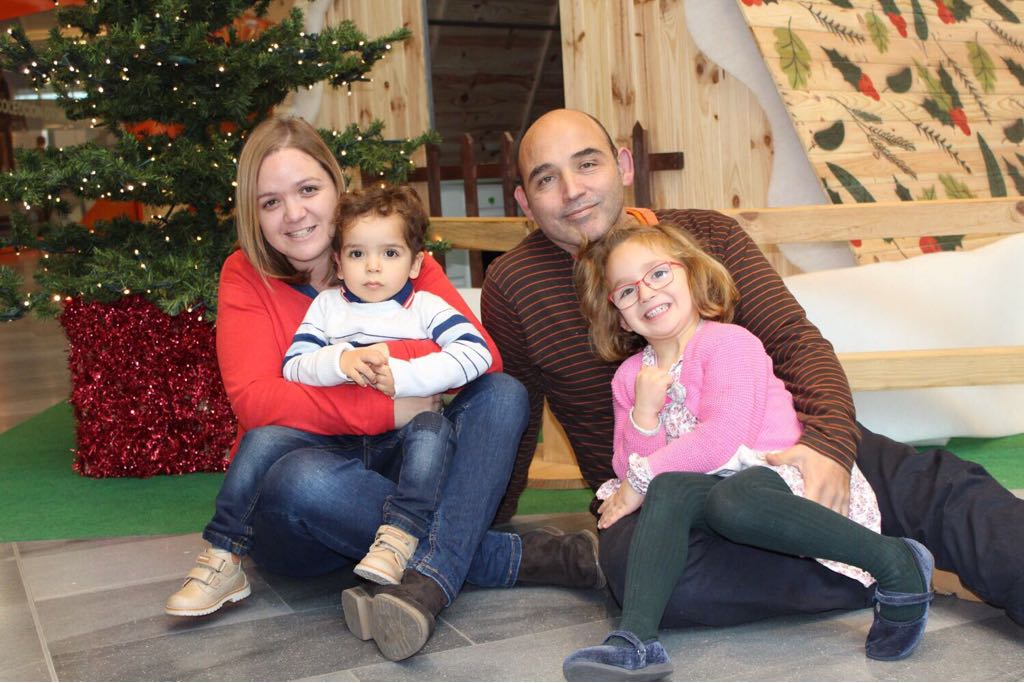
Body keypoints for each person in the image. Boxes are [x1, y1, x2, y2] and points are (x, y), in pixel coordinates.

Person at [481, 108, 1024, 628]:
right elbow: (517, 415)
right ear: (525, 203)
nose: (573, 190)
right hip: (657, 497)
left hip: (778, 449)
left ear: (623, 165)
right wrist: (482, 528)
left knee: (939, 488)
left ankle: (886, 547)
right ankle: (885, 565)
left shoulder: (708, 235)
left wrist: (830, 446)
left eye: (587, 163)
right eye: (547, 178)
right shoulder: (513, 284)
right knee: (646, 581)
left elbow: (795, 342)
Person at [164, 115, 605, 663]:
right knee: (300, 479)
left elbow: (476, 355)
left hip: (408, 472)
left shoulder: (393, 251)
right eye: (270, 201)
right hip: (308, 501)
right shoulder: (244, 273)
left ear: (336, 187)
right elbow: (257, 402)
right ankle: (507, 558)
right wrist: (390, 405)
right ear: (252, 213)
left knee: (504, 393)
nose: (294, 213)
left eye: (307, 190)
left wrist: (369, 371)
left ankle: (425, 578)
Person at [560, 221, 933, 680]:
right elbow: (627, 464)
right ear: (619, 315)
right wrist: (644, 414)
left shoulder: (730, 344)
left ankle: (895, 561)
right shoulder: (630, 377)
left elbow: (722, 441)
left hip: (777, 477)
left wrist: (639, 480)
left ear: (693, 276)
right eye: (626, 291)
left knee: (725, 497)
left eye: (658, 274)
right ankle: (637, 640)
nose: (646, 293)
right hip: (710, 487)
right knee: (670, 490)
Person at [281, 184, 493, 585]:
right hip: (345, 448)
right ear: (339, 264)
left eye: (390, 253)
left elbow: (478, 352)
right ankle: (436, 553)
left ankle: (401, 533)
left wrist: (406, 377)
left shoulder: (426, 307)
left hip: (408, 452)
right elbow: (294, 366)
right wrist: (339, 362)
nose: (373, 266)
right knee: (303, 472)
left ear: (415, 264)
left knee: (432, 429)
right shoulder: (327, 306)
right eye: (358, 253)